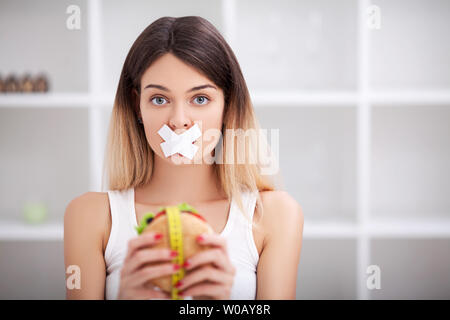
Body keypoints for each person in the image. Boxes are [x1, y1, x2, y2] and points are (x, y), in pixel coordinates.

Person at [64, 16, 303, 300]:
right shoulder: (90, 217)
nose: (179, 121)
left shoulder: (273, 216)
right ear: (137, 106)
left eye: (200, 99)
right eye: (159, 99)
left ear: (227, 106)